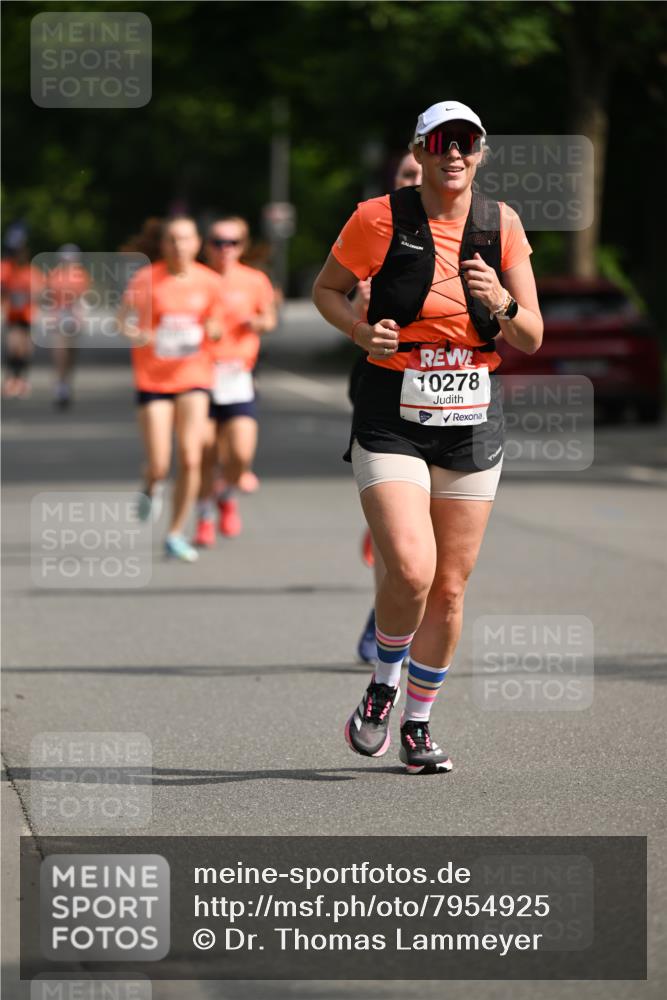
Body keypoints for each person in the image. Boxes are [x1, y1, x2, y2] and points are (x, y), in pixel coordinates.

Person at [313, 101, 542, 773]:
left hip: (471, 413)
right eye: (440, 141)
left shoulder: (499, 225)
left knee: (447, 588)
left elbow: (528, 334)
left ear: (480, 152)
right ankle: (382, 684)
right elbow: (328, 289)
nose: (453, 153)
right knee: (410, 569)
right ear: (420, 147)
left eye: (465, 142)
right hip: (393, 409)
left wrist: (497, 299)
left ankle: (417, 724)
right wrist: (361, 332)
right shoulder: (376, 217)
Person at [118, 216, 226, 562]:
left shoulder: (210, 282)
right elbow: (122, 319)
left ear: (197, 243)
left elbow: (218, 324)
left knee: (192, 457)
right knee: (160, 463)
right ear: (163, 245)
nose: (179, 246)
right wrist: (137, 334)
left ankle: (176, 533)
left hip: (194, 377)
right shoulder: (146, 279)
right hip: (154, 380)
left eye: (186, 239)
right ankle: (151, 485)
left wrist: (213, 329)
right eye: (172, 240)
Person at [352, 150, 423, 665]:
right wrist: (363, 307)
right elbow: (342, 305)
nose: (416, 181)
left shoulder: (476, 226)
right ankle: (383, 622)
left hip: (451, 393)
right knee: (399, 544)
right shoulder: (376, 223)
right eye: (406, 175)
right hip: (382, 383)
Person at [193, 216, 277, 546]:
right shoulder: (196, 279)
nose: (224, 249)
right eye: (217, 241)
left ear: (242, 246)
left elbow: (269, 317)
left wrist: (257, 322)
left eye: (232, 242)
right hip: (198, 374)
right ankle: (203, 516)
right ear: (206, 245)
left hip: (237, 374)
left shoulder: (254, 280)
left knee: (241, 453)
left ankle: (226, 493)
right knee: (205, 453)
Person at [42, 244, 90, 408]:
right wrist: (50, 315)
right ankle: (60, 385)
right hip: (59, 315)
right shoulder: (54, 275)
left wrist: (81, 315)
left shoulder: (81, 276)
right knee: (59, 350)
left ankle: (66, 382)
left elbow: (82, 297)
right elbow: (48, 298)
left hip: (73, 315)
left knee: (70, 353)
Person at [2, 246, 43, 399]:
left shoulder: (32, 272)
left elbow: (39, 292)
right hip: (12, 315)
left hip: (27, 316)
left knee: (25, 349)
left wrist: (32, 297)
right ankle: (11, 380)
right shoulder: (8, 271)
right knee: (13, 346)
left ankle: (22, 380)